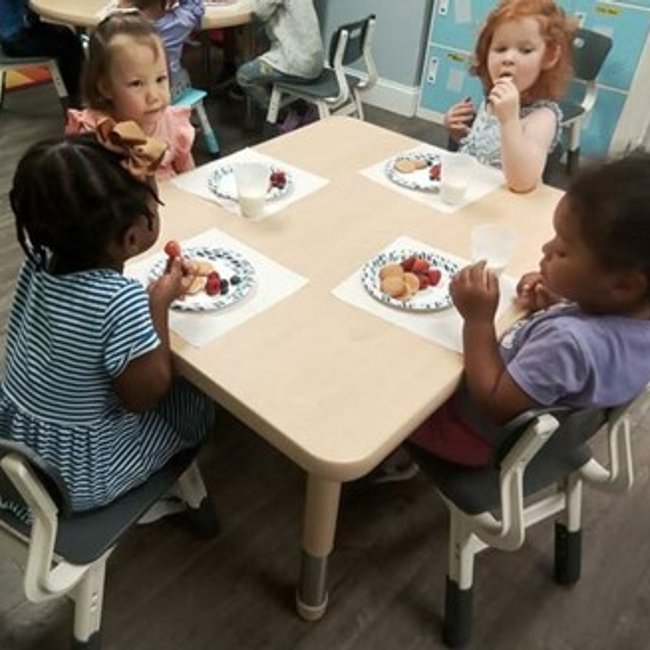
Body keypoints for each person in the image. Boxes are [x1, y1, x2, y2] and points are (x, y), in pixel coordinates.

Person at [0, 122, 217, 519]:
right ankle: (158, 497)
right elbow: (144, 396)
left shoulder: (40, 261)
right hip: (77, 476)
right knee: (196, 405)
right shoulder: (120, 302)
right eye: (155, 204)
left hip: (18, 443)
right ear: (132, 239)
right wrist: (158, 305)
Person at [407, 153, 650, 469]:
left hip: (473, 435)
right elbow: (593, 351)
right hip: (548, 439)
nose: (546, 250)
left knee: (394, 374)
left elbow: (493, 405)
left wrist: (478, 320)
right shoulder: (632, 312)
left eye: (562, 249)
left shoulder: (567, 344)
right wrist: (563, 301)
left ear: (624, 285)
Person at [445, 0, 575, 193]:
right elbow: (483, 149)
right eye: (500, 49)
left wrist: (509, 121)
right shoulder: (492, 101)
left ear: (549, 56)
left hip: (506, 209)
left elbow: (521, 183)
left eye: (525, 50)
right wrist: (456, 131)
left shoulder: (543, 118)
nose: (508, 59)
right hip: (473, 195)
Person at [66, 11, 195, 180]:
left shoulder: (173, 124)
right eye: (136, 84)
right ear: (105, 88)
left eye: (160, 79)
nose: (153, 96)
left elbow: (193, 178)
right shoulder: (96, 130)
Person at [236, 0, 324, 114]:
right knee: (263, 38)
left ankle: (278, 116)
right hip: (314, 60)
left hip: (296, 62)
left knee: (243, 76)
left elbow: (260, 13)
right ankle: (300, 111)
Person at [0, 0, 84, 107]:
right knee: (70, 44)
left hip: (13, 31)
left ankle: (77, 89)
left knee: (66, 34)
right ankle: (75, 99)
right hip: (14, 39)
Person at [118, 0, 204, 100]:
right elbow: (195, 7)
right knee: (181, 72)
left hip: (135, 93)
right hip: (171, 90)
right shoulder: (179, 22)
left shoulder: (124, 26)